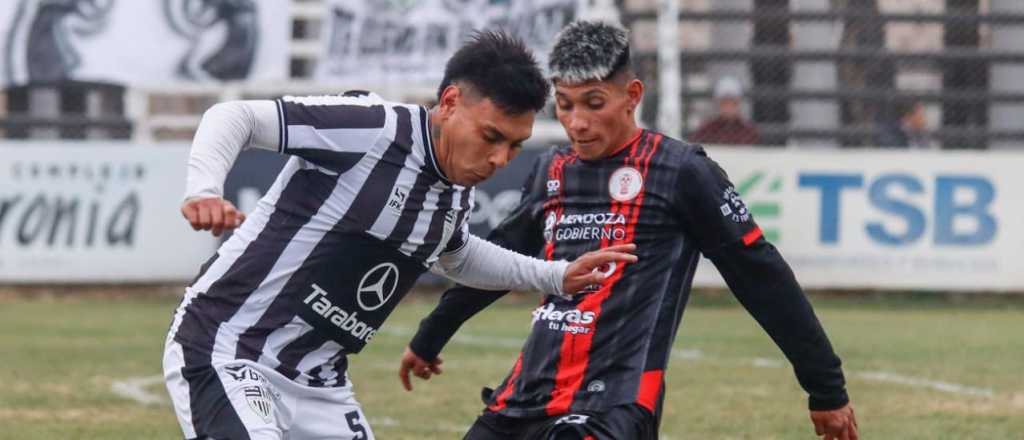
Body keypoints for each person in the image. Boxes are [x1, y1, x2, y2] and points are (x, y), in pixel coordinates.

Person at [163, 31, 637, 440]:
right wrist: (204, 190)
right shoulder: (374, 128)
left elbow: (456, 256)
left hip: (319, 382)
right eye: (491, 137)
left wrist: (556, 276)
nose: (499, 159)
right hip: (230, 350)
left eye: (515, 145)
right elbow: (234, 117)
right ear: (449, 103)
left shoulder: (456, 189)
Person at [399, 21, 859, 440]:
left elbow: (761, 275)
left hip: (614, 406)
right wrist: (431, 335)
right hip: (523, 398)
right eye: (565, 104)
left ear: (632, 95)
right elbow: (502, 258)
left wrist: (826, 387)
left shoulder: (681, 171)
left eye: (594, 103)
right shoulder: (552, 168)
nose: (577, 121)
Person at [690, 75, 761, 146]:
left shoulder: (749, 132)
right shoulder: (706, 131)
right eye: (724, 103)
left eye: (732, 102)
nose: (728, 107)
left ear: (739, 103)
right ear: (717, 104)